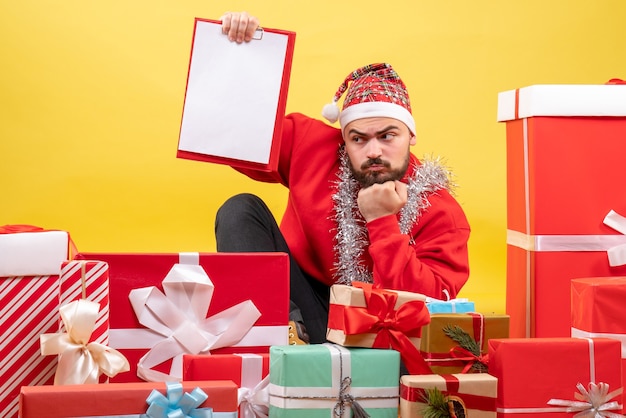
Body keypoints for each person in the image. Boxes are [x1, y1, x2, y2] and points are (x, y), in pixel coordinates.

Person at [215, 12, 471, 345]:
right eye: (359, 139)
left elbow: (426, 309)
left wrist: (382, 221)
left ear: (411, 135)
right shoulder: (313, 146)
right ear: (344, 138)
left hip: (376, 332)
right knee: (240, 210)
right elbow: (233, 136)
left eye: (387, 136)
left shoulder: (441, 212)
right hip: (300, 309)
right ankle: (274, 341)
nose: (373, 151)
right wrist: (240, 55)